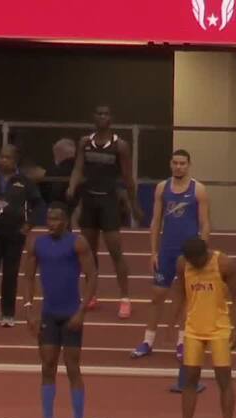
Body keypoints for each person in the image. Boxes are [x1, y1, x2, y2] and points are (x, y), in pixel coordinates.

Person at [20, 202, 98, 418]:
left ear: (66, 221)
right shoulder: (37, 244)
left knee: (73, 367)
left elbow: (92, 276)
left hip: (71, 313)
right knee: (47, 367)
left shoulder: (78, 243)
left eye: (56, 219)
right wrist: (29, 309)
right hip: (49, 315)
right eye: (49, 219)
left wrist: (82, 311)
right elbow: (28, 276)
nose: (51, 223)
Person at [133, 150, 211, 360]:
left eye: (182, 163)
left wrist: (201, 251)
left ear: (189, 165)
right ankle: (148, 340)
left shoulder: (199, 190)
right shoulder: (162, 188)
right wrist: (153, 252)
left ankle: (181, 341)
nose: (179, 167)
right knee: (157, 295)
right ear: (170, 164)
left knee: (185, 297)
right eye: (175, 163)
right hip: (166, 251)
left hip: (188, 252)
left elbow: (205, 224)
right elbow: (156, 221)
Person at [168, 235, 236, 418]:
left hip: (219, 329)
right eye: (191, 261)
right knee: (189, 380)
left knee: (224, 380)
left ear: (205, 253)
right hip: (193, 329)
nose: (195, 265)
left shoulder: (224, 263)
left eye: (198, 261)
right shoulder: (183, 263)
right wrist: (174, 321)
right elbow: (179, 291)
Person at [67, 105, 139, 319]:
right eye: (98, 113)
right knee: (89, 251)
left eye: (106, 113)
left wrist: (134, 204)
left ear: (111, 118)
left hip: (109, 201)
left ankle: (125, 298)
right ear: (93, 117)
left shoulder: (120, 146)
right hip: (89, 200)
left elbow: (127, 177)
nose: (102, 117)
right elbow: (78, 168)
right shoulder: (84, 143)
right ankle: (91, 295)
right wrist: (72, 187)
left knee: (115, 251)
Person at [0, 144, 42, 328]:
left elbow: (38, 205)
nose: (3, 160)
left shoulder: (25, 182)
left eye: (8, 157)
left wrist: (29, 225)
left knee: (10, 274)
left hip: (15, 232)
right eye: (1, 156)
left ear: (15, 160)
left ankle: (8, 313)